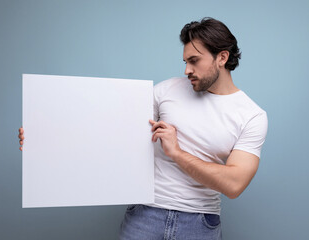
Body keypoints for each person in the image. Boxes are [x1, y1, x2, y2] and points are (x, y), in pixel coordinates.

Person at [19, 17, 268, 240]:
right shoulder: (166, 90)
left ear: (222, 57)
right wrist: (44, 137)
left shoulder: (251, 115)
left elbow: (234, 184)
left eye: (194, 61)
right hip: (144, 215)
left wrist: (177, 153)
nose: (186, 70)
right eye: (185, 61)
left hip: (200, 223)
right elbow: (108, 130)